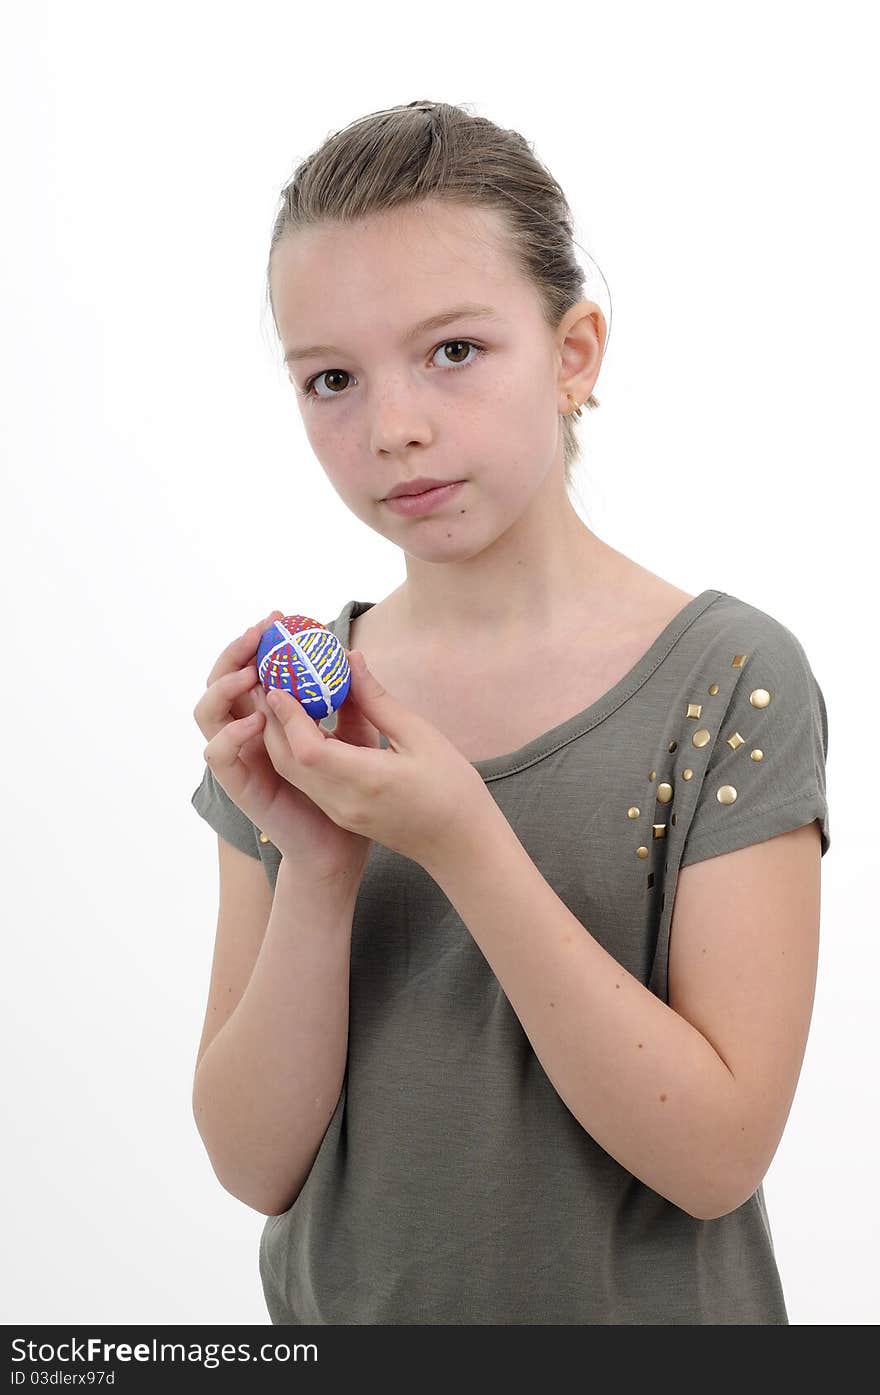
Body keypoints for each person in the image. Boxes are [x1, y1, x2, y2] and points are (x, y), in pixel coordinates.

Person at [189, 100, 830, 1325]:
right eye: (331, 378)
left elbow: (715, 1159)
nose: (394, 428)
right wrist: (318, 866)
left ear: (575, 352)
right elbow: (251, 1162)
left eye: (453, 351)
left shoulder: (728, 681)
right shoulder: (301, 710)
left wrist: (460, 840)